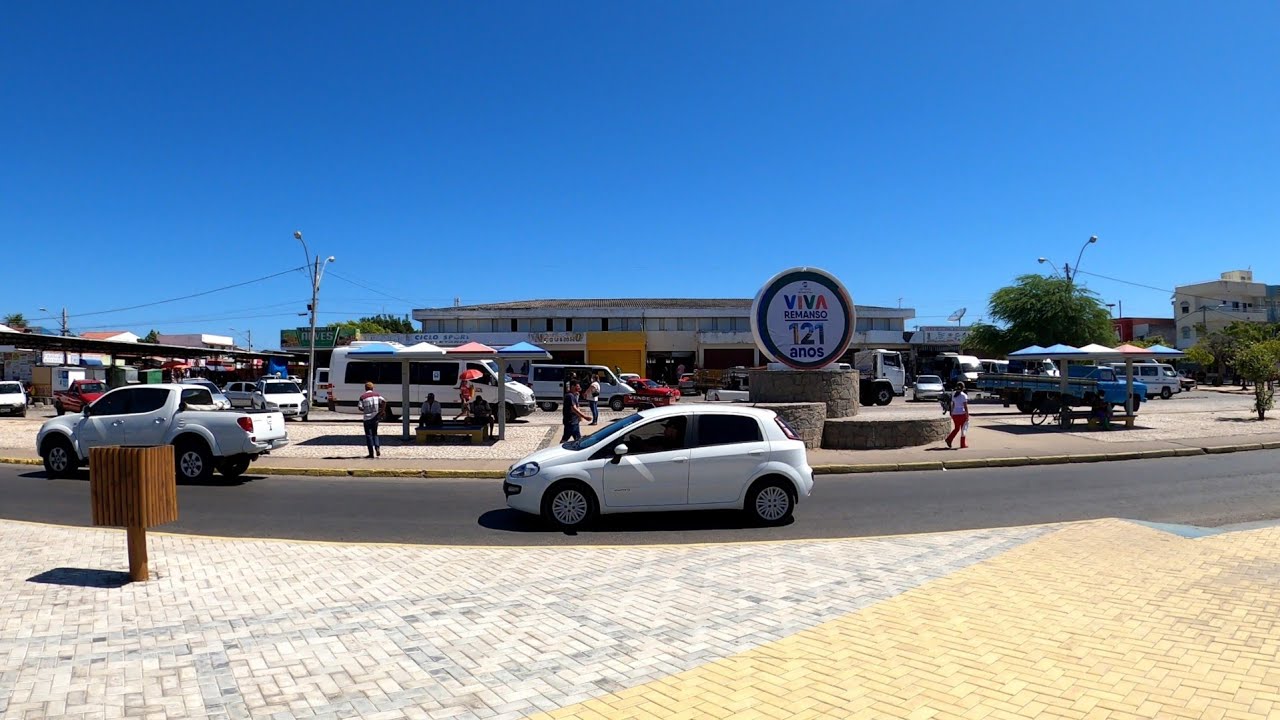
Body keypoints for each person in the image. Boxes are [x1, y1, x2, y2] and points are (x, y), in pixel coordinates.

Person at [358, 381, 386, 458]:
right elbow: (384, 401)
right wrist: (382, 411)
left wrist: (365, 409)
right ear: (372, 388)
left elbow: (360, 407)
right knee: (375, 434)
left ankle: (371, 453)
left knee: (368, 435)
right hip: (375, 417)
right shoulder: (377, 395)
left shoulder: (363, 397)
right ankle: (377, 448)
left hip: (367, 418)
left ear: (365, 388)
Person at [945, 382, 969, 449]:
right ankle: (962, 444)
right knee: (964, 429)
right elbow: (965, 407)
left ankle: (949, 439)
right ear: (963, 388)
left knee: (956, 428)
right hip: (962, 414)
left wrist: (952, 413)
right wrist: (967, 415)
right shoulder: (964, 395)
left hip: (955, 414)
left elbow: (953, 405)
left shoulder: (954, 394)